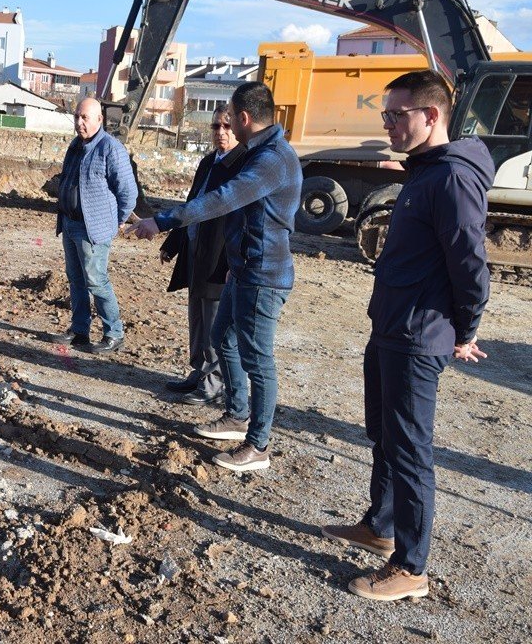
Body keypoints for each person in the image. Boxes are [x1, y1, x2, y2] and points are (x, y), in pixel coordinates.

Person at [321, 70, 491, 601]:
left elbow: (470, 265)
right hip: (390, 326)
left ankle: (411, 567)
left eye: (398, 115)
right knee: (384, 434)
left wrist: (465, 330)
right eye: (386, 115)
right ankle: (380, 525)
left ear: (431, 116)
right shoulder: (423, 172)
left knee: (411, 449)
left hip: (418, 336)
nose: (388, 124)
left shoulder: (451, 178)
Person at [125, 82, 302, 472]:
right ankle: (236, 417)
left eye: (229, 120)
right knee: (222, 337)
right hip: (243, 270)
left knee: (259, 359)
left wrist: (161, 221)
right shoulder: (254, 153)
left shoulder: (271, 160)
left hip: (263, 276)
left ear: (243, 118)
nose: (224, 130)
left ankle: (258, 445)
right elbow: (214, 187)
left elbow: (222, 199)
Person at [159, 104, 246, 404]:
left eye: (227, 126)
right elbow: (191, 205)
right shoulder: (208, 162)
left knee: (214, 323)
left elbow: (241, 219)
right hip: (196, 252)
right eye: (215, 127)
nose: (220, 132)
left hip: (219, 257)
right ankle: (199, 372)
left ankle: (214, 383)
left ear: (238, 127)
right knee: (197, 318)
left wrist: (234, 262)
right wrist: (172, 244)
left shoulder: (242, 165)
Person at [52, 97, 138, 354]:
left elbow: (128, 193)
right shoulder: (76, 146)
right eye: (77, 117)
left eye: (85, 118)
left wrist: (116, 221)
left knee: (96, 281)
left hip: (92, 230)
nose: (79, 122)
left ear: (99, 120)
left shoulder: (111, 148)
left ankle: (114, 333)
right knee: (75, 279)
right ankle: (80, 330)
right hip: (69, 223)